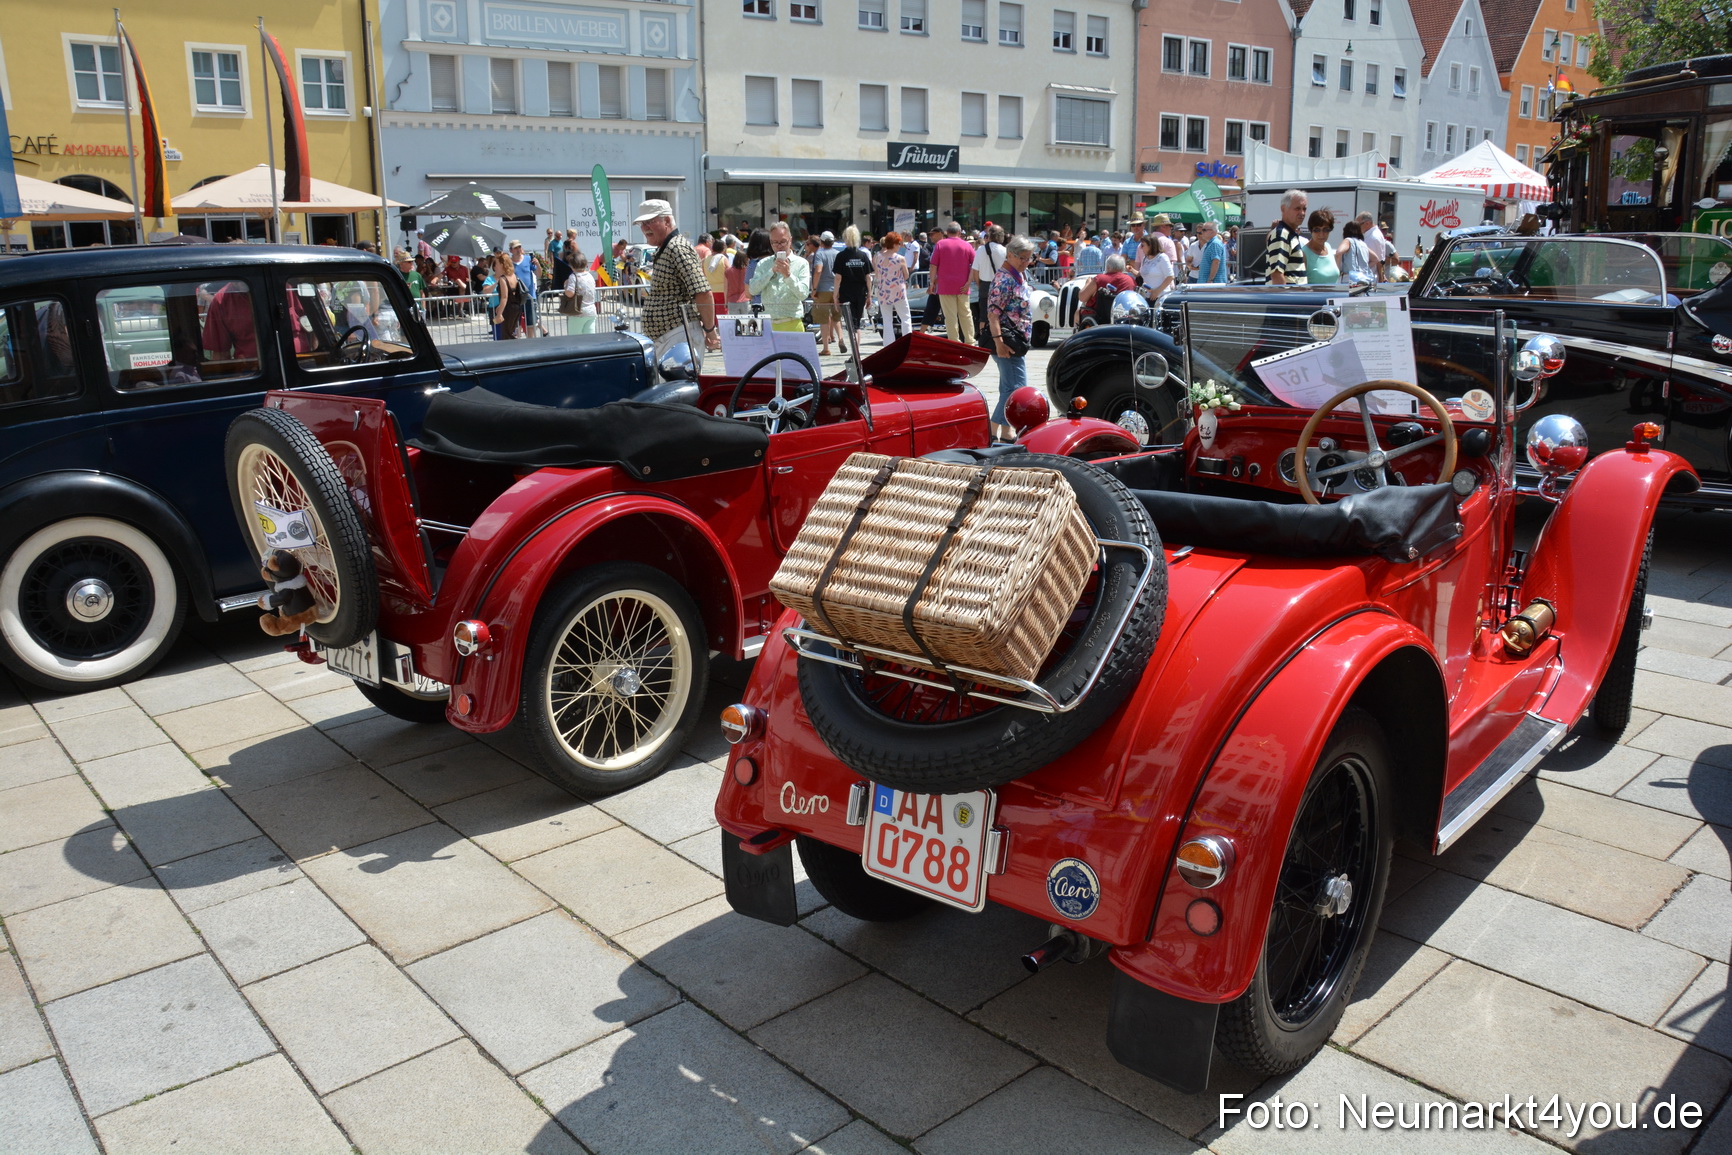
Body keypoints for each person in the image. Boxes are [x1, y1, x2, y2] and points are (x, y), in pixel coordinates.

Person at [635, 199, 722, 354]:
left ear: (667, 221)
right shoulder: (669, 247)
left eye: (649, 222)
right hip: (672, 337)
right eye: (642, 223)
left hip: (679, 337)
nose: (644, 228)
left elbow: (703, 292)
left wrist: (710, 330)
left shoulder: (677, 247)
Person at [986, 235, 1036, 428]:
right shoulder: (1004, 279)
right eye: (1022, 258)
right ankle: (992, 430)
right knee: (1016, 390)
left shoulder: (1017, 274)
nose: (1026, 262)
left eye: (1029, 258)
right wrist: (999, 343)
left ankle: (1006, 431)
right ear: (1010, 255)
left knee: (1008, 388)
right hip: (1008, 342)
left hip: (1016, 339)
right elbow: (993, 315)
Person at [747, 221, 811, 333]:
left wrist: (788, 275)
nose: (779, 246)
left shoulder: (801, 263)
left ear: (790, 240)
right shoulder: (763, 263)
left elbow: (803, 294)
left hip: (792, 322)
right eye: (774, 242)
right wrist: (771, 272)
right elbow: (752, 290)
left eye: (782, 241)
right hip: (767, 323)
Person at [929, 220, 976, 346]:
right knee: (966, 314)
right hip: (963, 285)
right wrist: (969, 281)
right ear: (959, 232)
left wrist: (932, 283)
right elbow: (975, 265)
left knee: (950, 316)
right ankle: (970, 341)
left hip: (945, 286)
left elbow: (933, 265)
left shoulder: (940, 244)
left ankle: (954, 342)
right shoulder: (967, 245)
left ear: (947, 232)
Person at [833, 226, 873, 346]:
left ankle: (855, 350)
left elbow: (838, 277)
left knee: (851, 324)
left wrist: (835, 295)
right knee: (857, 324)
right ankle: (857, 350)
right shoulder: (863, 255)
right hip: (860, 293)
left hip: (846, 293)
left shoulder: (841, 256)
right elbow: (868, 277)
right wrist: (869, 295)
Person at [872, 231, 912, 345]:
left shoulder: (877, 257)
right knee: (905, 318)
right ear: (894, 244)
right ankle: (907, 343)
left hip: (883, 290)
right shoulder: (900, 258)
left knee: (887, 320)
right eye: (898, 243)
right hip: (898, 291)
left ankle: (888, 344)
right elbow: (906, 275)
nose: (899, 246)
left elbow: (877, 273)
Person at [970, 225, 1007, 343]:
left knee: (983, 316)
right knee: (1000, 314)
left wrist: (979, 284)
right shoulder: (1004, 250)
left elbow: (975, 271)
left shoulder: (981, 250)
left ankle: (983, 340)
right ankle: (1000, 339)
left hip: (985, 285)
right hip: (1000, 285)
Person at [1078, 254, 1138, 325]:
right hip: (1123, 318)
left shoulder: (1099, 279)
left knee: (1077, 312)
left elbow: (1082, 297)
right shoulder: (1130, 280)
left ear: (1108, 267)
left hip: (1099, 319)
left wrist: (1088, 283)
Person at [1266, 189, 1309, 285]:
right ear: (1283, 209)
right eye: (1297, 208)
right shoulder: (1282, 234)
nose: (1302, 213)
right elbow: (1277, 274)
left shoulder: (1289, 234)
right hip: (1289, 294)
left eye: (1304, 209)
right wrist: (1285, 295)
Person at [812, 230, 842, 355]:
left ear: (822, 242)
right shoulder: (838, 254)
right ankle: (841, 338)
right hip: (836, 289)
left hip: (823, 289)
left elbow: (818, 271)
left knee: (823, 320)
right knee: (836, 317)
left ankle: (826, 348)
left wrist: (814, 289)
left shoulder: (820, 253)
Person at [561, 243, 599, 334]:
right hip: (591, 311)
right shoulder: (590, 276)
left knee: (575, 338)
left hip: (578, 312)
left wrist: (565, 287)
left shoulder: (573, 277)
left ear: (572, 266)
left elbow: (570, 293)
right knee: (589, 339)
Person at [491, 252, 528, 338]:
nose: (495, 267)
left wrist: (499, 313)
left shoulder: (503, 278)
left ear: (502, 264)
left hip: (508, 309)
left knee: (506, 335)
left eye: (497, 264)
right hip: (516, 307)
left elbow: (504, 297)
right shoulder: (513, 275)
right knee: (510, 333)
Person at [1138, 215, 1176, 298]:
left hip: (1160, 296)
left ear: (1150, 246)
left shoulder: (1162, 257)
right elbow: (1143, 273)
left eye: (1143, 245)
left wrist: (1157, 292)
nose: (1140, 248)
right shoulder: (1145, 258)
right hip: (1147, 296)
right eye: (1170, 226)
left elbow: (1170, 276)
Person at [1303, 209, 1341, 285]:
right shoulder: (1303, 253)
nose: (1321, 234)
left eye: (1326, 230)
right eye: (1317, 230)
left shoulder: (1328, 247)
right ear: (1311, 230)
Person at [509, 240, 540, 336]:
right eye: (515, 248)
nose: (518, 249)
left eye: (519, 247)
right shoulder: (509, 263)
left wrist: (538, 264)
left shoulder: (528, 259)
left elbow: (538, 274)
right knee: (516, 326)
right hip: (515, 297)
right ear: (511, 250)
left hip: (529, 296)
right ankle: (518, 344)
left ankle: (531, 344)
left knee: (531, 324)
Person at [1354, 212, 1393, 282]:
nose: (1357, 228)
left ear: (1367, 223)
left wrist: (1381, 279)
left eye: (1358, 225)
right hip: (1368, 277)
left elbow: (1379, 261)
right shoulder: (1371, 235)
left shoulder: (1373, 237)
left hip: (1370, 279)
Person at [1338, 221, 1377, 286]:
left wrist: (1338, 271)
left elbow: (1339, 252)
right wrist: (1364, 268)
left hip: (1349, 280)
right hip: (1364, 278)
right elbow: (1375, 259)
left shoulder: (1348, 241)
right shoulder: (1363, 244)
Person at [744, 228, 774, 305]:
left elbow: (748, 293)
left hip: (760, 306)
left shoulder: (753, 264)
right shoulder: (778, 262)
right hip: (779, 305)